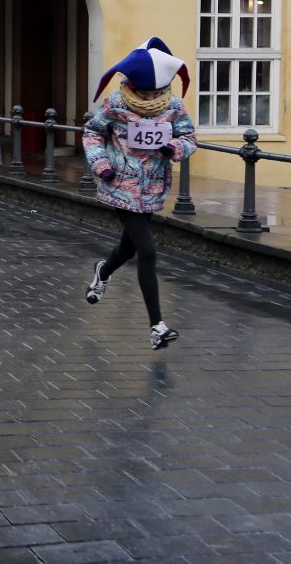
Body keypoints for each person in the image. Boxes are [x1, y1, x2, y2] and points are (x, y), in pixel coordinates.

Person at [83, 37, 197, 350]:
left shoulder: (173, 106)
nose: (149, 96)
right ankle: (157, 326)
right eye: (143, 91)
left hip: (153, 187)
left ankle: (103, 272)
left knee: (129, 249)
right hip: (120, 185)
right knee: (147, 251)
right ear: (131, 84)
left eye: (155, 91)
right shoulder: (115, 104)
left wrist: (172, 147)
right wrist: (102, 165)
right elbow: (92, 134)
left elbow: (189, 138)